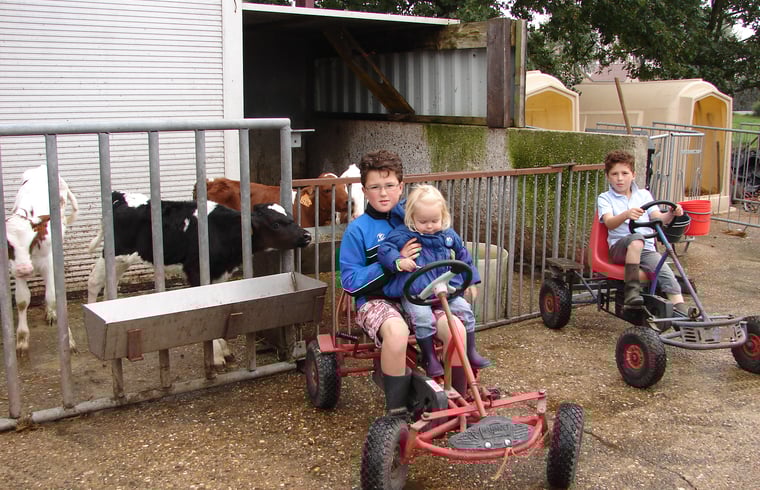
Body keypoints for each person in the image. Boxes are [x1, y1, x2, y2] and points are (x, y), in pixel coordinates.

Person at [339, 151, 473, 418]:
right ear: (364, 191)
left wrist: (460, 279)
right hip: (377, 300)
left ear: (401, 187)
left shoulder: (416, 217)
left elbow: (450, 246)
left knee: (456, 327)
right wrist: (393, 263)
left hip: (420, 296)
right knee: (397, 332)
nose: (383, 193)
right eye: (375, 187)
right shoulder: (358, 230)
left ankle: (459, 401)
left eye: (390, 185)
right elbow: (350, 281)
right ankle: (397, 410)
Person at [377, 184, 490, 378]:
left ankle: (470, 351)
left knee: (466, 311)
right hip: (417, 293)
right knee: (423, 319)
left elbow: (463, 255)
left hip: (444, 288)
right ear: (411, 217)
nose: (429, 226)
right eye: (423, 221)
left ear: (443, 216)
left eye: (435, 220)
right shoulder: (403, 234)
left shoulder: (447, 235)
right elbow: (385, 250)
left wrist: (471, 280)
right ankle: (429, 357)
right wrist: (399, 261)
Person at [597, 149, 688, 316]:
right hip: (620, 249)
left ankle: (684, 316)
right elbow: (609, 223)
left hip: (646, 249)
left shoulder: (644, 195)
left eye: (624, 173)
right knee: (636, 239)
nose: (620, 178)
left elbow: (658, 219)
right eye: (614, 174)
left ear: (633, 175)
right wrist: (626, 214)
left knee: (667, 276)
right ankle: (632, 292)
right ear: (607, 176)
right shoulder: (605, 198)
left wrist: (671, 213)